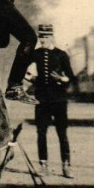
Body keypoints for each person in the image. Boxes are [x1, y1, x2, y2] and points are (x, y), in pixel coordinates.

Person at [27, 24, 75, 178]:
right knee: (41, 133)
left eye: (46, 37)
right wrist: (32, 78)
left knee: (62, 133)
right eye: (41, 37)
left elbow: (71, 77)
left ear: (52, 37)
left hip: (59, 100)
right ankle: (43, 166)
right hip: (41, 100)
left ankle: (66, 166)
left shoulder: (61, 55)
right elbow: (24, 72)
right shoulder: (35, 54)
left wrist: (61, 79)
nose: (43, 40)